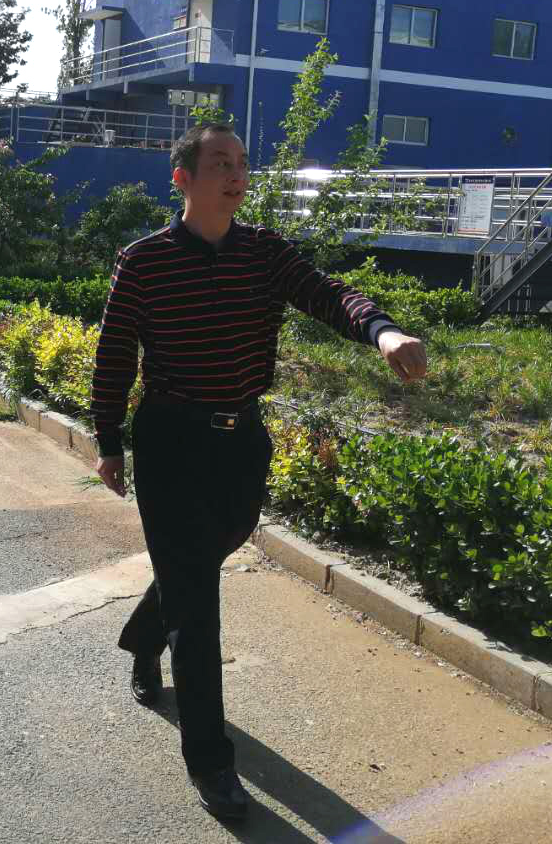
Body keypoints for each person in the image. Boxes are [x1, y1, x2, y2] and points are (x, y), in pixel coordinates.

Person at [91, 120, 428, 821]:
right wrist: (108, 440)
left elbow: (329, 293)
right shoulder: (144, 261)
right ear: (183, 179)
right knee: (198, 604)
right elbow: (115, 354)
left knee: (212, 550)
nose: (236, 174)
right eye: (220, 163)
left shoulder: (265, 252)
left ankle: (146, 632)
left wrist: (383, 331)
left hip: (241, 438)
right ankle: (212, 764)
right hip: (171, 440)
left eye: (242, 162)